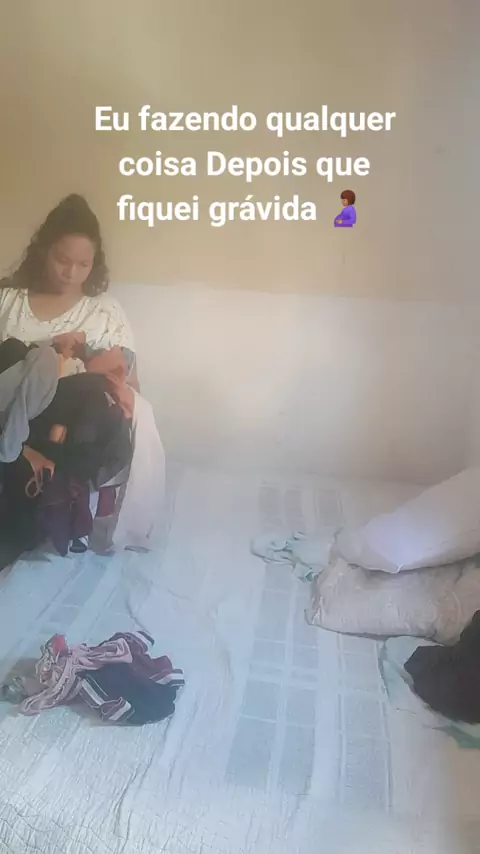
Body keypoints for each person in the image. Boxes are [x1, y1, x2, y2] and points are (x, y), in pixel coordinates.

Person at [0, 194, 165, 557]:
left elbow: (127, 390)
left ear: (95, 264)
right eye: (62, 260)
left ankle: (34, 484)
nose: (71, 273)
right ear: (44, 251)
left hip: (60, 432)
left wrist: (79, 362)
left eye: (83, 264)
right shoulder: (8, 301)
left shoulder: (104, 313)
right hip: (6, 408)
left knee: (89, 397)